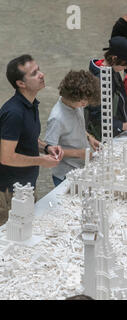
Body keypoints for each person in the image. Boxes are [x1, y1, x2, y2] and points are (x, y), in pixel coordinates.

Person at [0, 54, 63, 225]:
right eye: (34, 73)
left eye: (39, 70)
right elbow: (6, 156)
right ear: (21, 84)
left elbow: (26, 139)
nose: (41, 74)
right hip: (9, 194)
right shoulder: (14, 113)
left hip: (26, 186)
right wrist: (41, 161)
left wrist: (47, 147)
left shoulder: (31, 104)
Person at [44, 70, 101, 187]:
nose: (85, 104)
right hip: (66, 173)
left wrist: (89, 138)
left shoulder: (76, 105)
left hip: (80, 165)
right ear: (72, 95)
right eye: (82, 101)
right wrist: (79, 153)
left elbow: (77, 125)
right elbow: (49, 151)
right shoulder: (57, 118)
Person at [86, 36, 127, 141]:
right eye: (126, 63)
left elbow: (121, 99)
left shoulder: (114, 71)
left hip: (117, 125)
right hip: (105, 135)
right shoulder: (100, 80)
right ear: (114, 58)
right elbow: (97, 115)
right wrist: (121, 125)